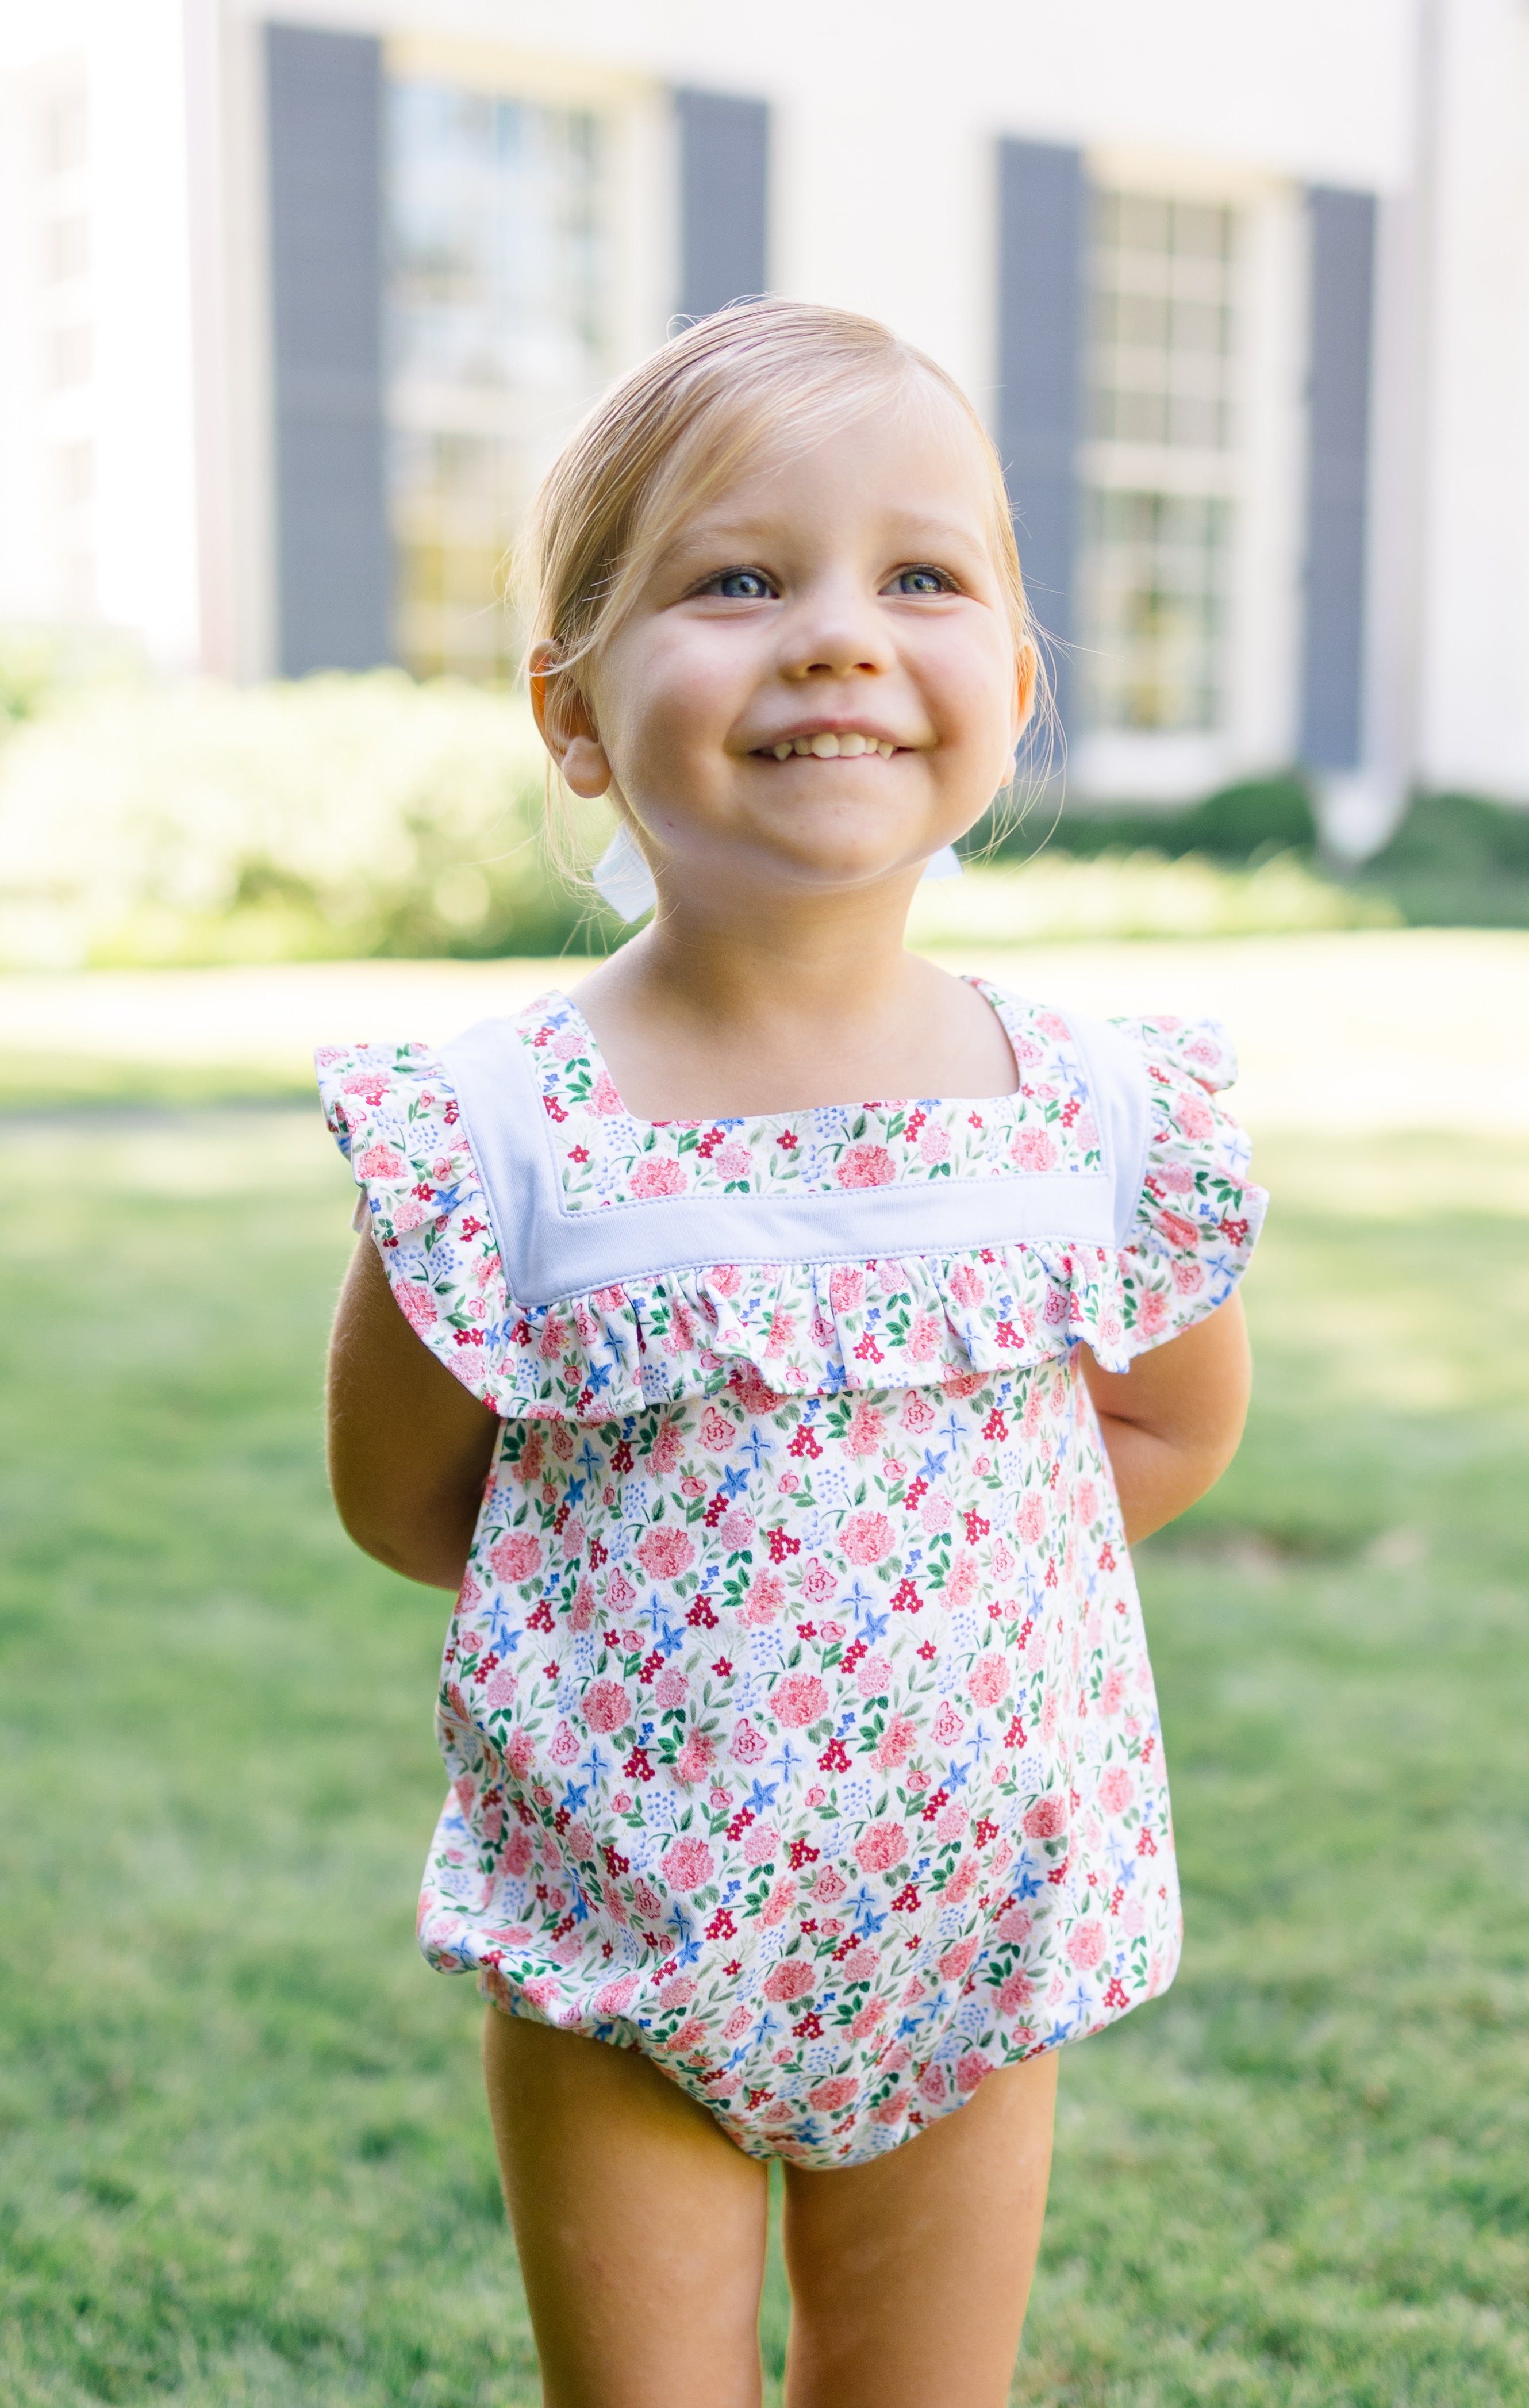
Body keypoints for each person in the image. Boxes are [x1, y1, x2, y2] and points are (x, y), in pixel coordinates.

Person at [318, 300, 1265, 2408]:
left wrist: (925, 1587)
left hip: (965, 1922)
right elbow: (406, 1496)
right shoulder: (501, 1134)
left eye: (918, 578)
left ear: (1012, 687)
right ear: (572, 709)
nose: (837, 636)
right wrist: (662, 1590)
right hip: (623, 1933)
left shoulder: (1093, 1114)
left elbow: (1167, 1427)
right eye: (739, 579)